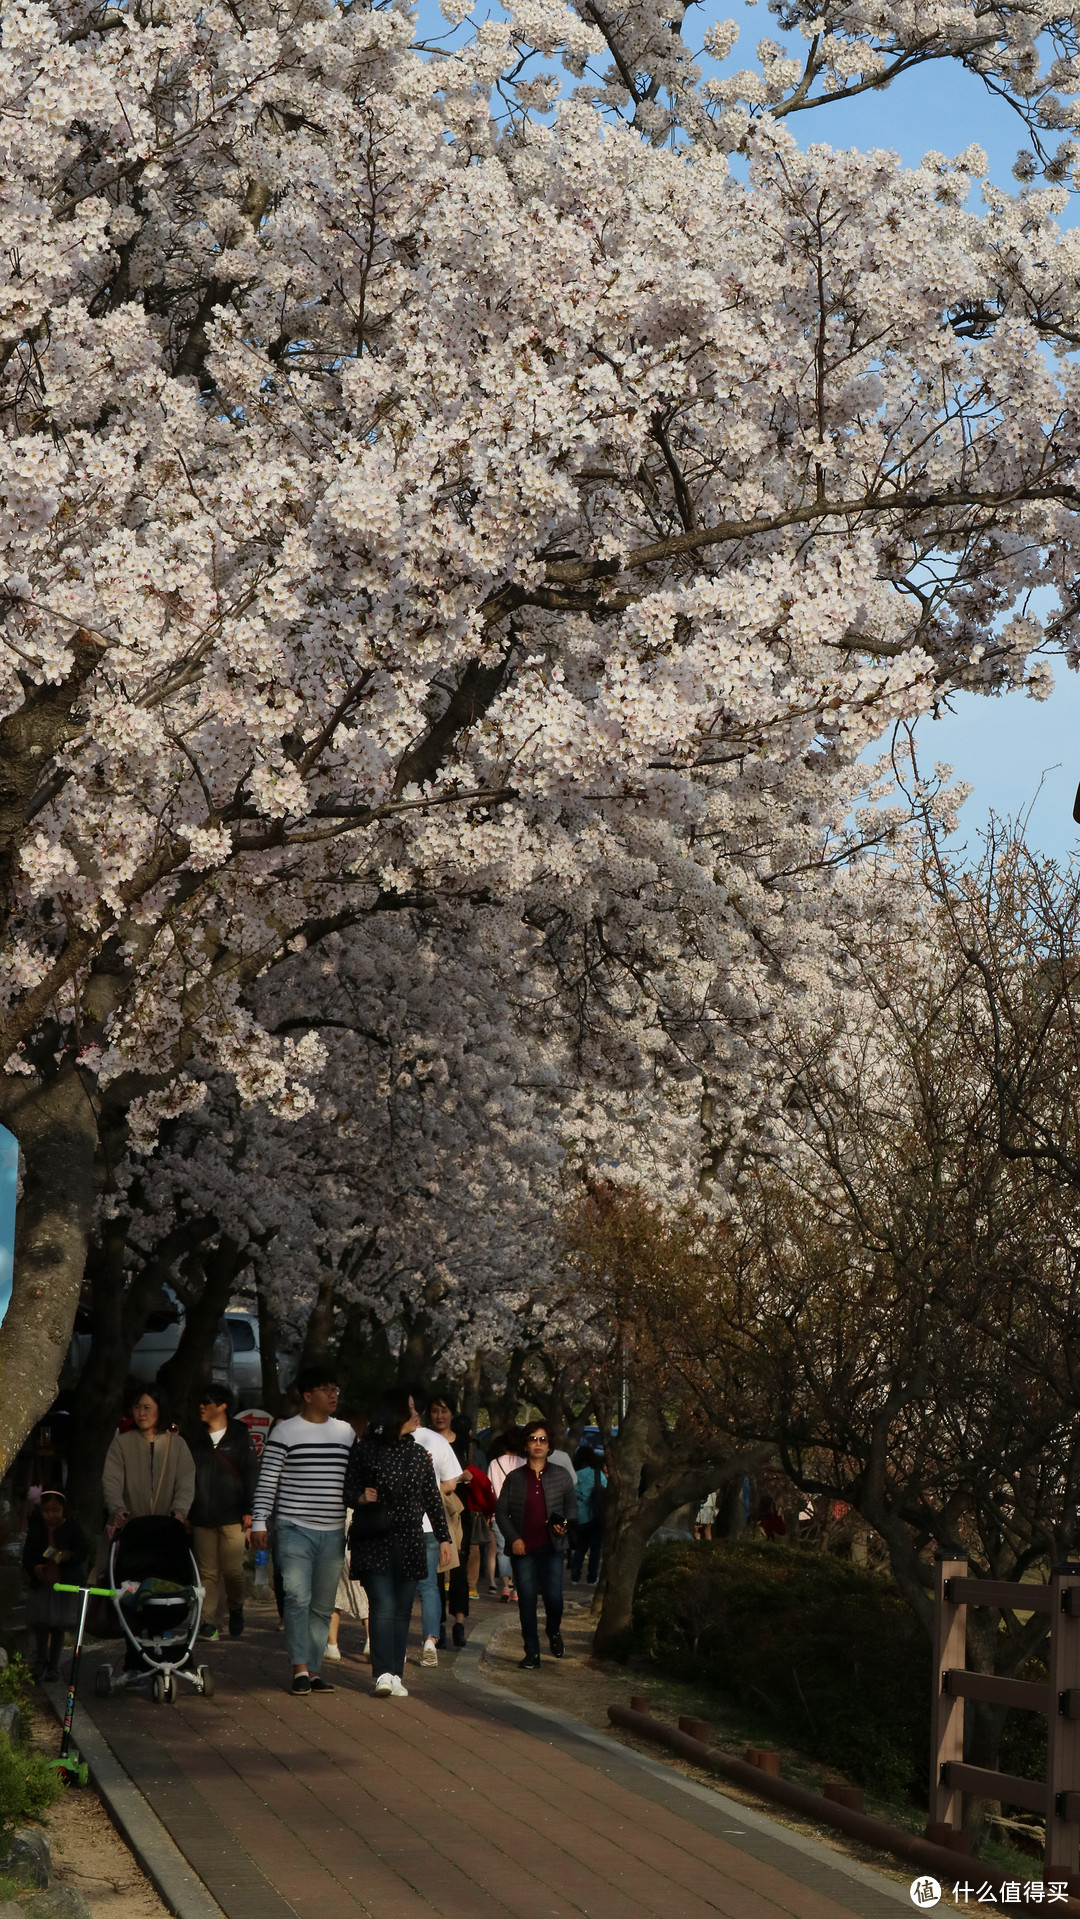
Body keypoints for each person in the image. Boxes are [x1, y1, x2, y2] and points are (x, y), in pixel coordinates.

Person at [250, 1365, 354, 1696]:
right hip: (293, 1527)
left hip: (334, 1529)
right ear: (307, 1396)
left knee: (323, 1604)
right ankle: (299, 1668)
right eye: (326, 1389)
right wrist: (259, 1520)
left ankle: (314, 1669)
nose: (333, 1394)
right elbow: (267, 1480)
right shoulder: (285, 1432)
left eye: (335, 1388)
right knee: (297, 1596)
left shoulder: (345, 1433)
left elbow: (356, 1476)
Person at [343, 1389, 451, 1697]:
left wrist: (444, 1537)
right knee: (383, 1605)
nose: (418, 1415)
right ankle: (382, 1674)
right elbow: (348, 1488)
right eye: (412, 1409)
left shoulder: (418, 1454)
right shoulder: (366, 1449)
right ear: (395, 1415)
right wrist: (361, 1497)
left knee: (403, 1609)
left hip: (411, 1539)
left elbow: (432, 1497)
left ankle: (396, 1673)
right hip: (374, 1537)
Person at [495, 1417, 577, 1670]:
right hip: (524, 1550)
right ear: (526, 1445)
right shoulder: (515, 1478)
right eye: (533, 1439)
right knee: (527, 1600)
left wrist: (563, 1525)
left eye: (543, 1439)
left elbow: (572, 1511)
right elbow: (500, 1512)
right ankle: (531, 1652)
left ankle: (553, 1631)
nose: (538, 1444)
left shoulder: (561, 1476)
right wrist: (514, 1539)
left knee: (554, 1597)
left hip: (552, 1548)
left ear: (549, 1444)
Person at [187, 1383, 259, 1641]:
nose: (202, 1407)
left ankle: (236, 1607)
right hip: (201, 1515)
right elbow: (186, 1475)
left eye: (208, 1402)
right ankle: (207, 1623)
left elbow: (252, 1473)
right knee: (207, 1572)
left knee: (233, 1570)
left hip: (233, 1515)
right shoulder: (194, 1436)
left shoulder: (240, 1435)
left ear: (223, 1406)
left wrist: (250, 1511)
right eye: (201, 1402)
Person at [410, 1397, 464, 1666]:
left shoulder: (383, 1440)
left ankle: (384, 1637)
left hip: (415, 1526)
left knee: (398, 1584)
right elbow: (450, 1482)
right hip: (429, 1525)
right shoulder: (436, 1440)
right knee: (429, 1585)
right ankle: (430, 1640)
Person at [103, 1386, 196, 1531]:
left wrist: (179, 1511)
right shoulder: (121, 1443)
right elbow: (111, 1480)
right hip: (129, 1526)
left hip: (166, 1526)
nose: (141, 1413)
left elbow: (186, 1482)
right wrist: (117, 1508)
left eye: (147, 1408)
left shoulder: (177, 1444)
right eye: (137, 1407)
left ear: (160, 1409)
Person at [427, 1393, 474, 1648]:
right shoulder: (425, 1439)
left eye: (444, 1411)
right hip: (433, 1509)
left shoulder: (465, 1441)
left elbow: (476, 1470)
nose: (440, 1416)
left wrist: (466, 1476)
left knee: (458, 1567)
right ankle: (437, 1626)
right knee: (434, 1568)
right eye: (435, 1410)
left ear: (452, 1414)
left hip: (458, 1510)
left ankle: (459, 1622)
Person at [23, 1490, 87, 1680]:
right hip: (42, 1585)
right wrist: (35, 1567)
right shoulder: (36, 1530)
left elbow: (82, 1552)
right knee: (41, 1624)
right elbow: (28, 1555)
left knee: (58, 1626)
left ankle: (54, 1665)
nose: (51, 1515)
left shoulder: (72, 1528)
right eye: (47, 1511)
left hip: (64, 1585)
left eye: (55, 1510)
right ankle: (40, 1662)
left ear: (63, 1509)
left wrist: (68, 1555)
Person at [488, 1431, 525, 1600]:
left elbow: (490, 1490)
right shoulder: (524, 1463)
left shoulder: (494, 1463)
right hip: (520, 1513)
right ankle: (517, 1590)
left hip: (498, 1512)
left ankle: (505, 1586)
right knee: (519, 1549)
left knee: (503, 1551)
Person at [569, 1445, 606, 1585]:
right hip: (596, 1517)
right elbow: (606, 1487)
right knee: (595, 1550)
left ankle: (575, 1576)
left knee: (580, 1548)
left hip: (579, 1517)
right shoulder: (597, 1474)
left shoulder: (575, 1475)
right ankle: (591, 1578)